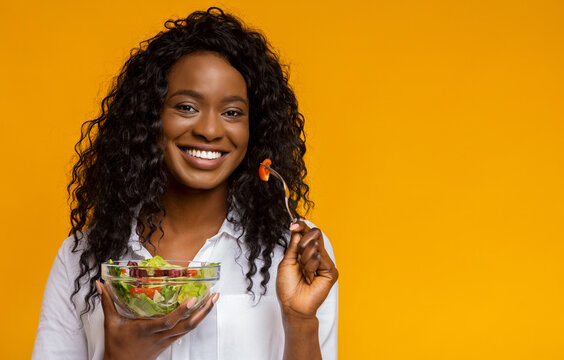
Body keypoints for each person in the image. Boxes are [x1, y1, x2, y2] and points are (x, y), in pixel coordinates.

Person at [32, 7, 338, 360]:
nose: (209, 130)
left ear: (255, 130)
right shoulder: (81, 257)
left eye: (232, 112)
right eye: (187, 107)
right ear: (150, 118)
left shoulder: (295, 256)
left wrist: (301, 321)